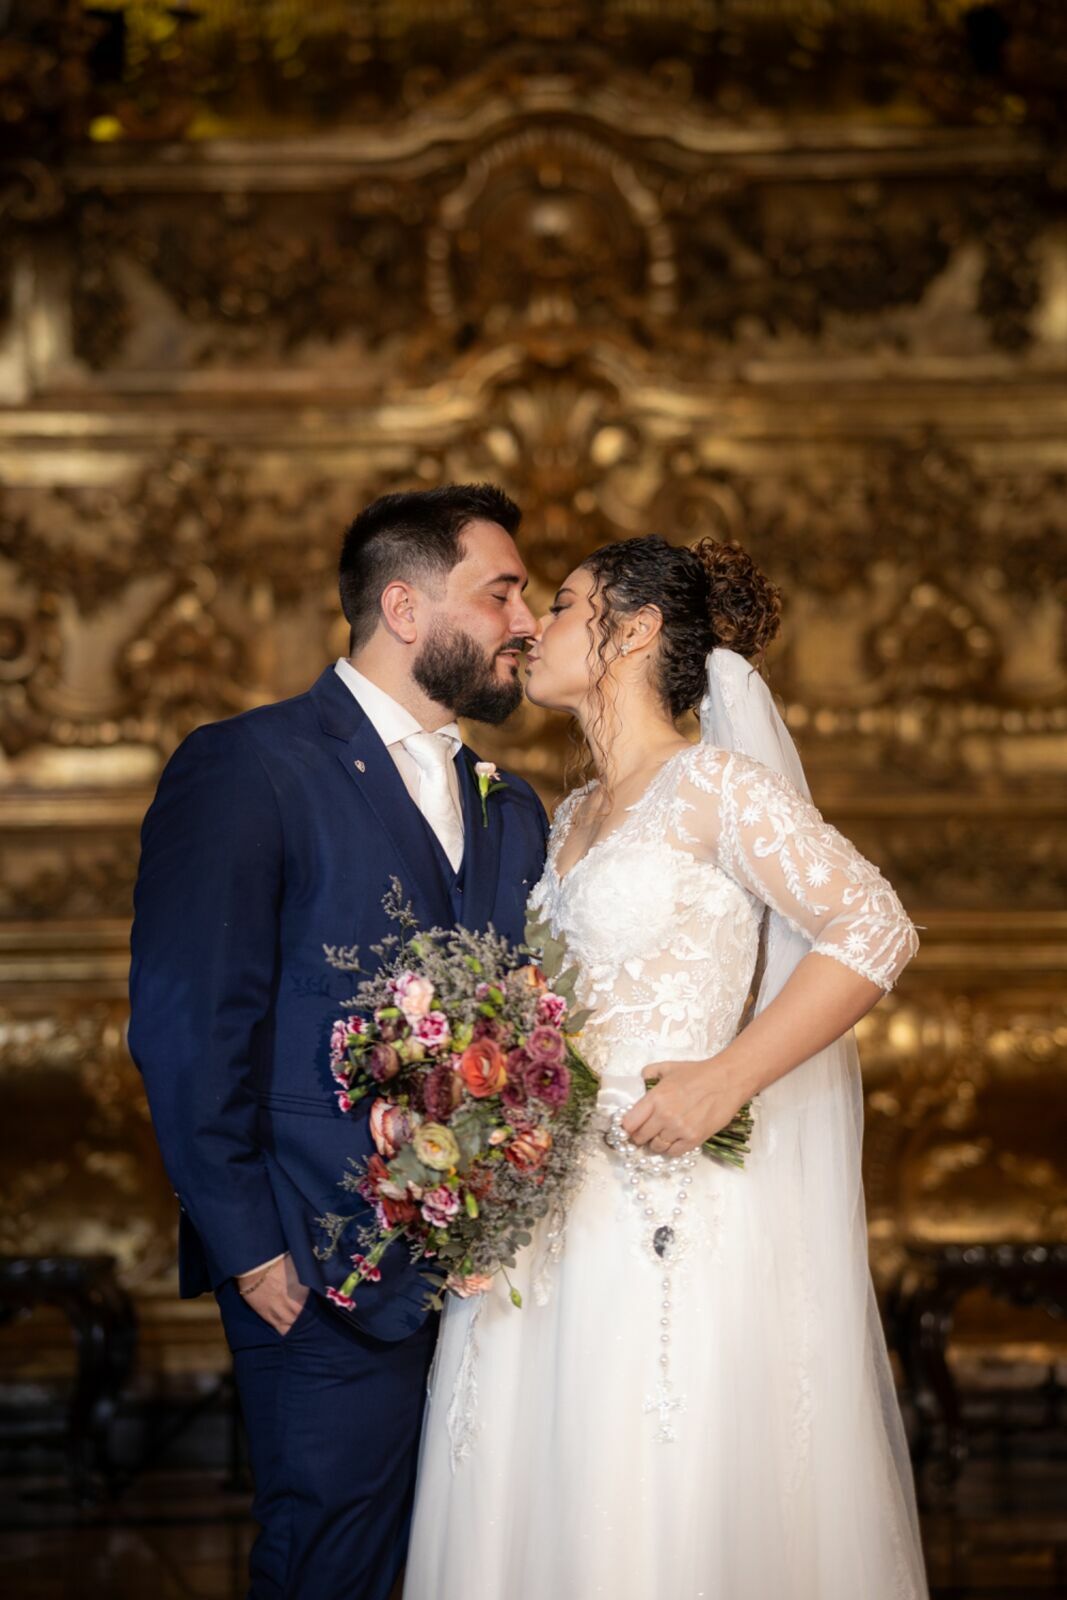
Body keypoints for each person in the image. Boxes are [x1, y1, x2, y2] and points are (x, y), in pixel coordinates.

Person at [403, 535, 930, 1599]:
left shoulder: (712, 786)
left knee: (646, 1494)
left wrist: (726, 1074)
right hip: (547, 1217)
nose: (529, 627)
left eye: (559, 605)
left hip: (665, 1202)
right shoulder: (567, 821)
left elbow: (872, 926)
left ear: (632, 630)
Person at [129, 484, 548, 1600]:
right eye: (500, 591)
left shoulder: (515, 807)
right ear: (403, 608)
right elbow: (186, 1022)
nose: (526, 620)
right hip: (314, 1261)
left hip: (483, 1280)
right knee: (331, 1564)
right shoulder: (247, 766)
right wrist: (249, 1245)